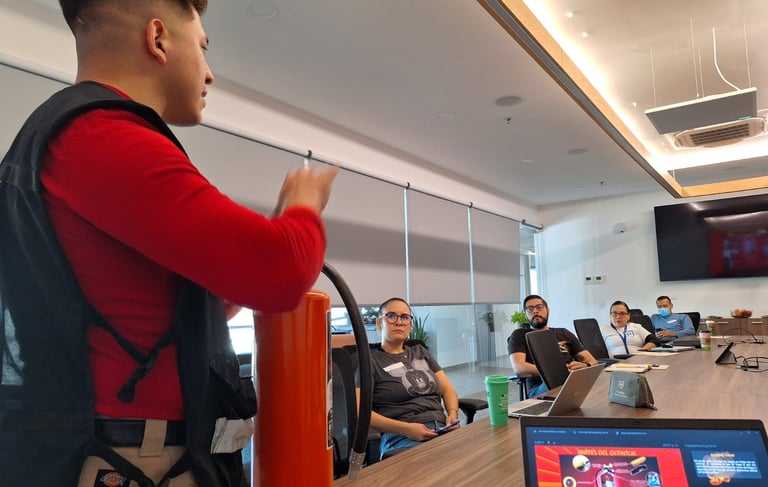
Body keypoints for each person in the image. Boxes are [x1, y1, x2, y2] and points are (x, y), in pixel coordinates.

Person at [0, 1, 337, 486]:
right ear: (157, 39)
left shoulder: (77, 139)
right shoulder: (103, 137)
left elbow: (170, 303)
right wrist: (303, 207)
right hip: (134, 461)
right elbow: (280, 273)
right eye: (202, 48)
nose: (210, 73)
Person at [357, 297, 460, 459]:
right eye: (391, 316)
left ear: (410, 324)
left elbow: (448, 389)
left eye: (405, 317)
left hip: (441, 429)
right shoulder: (369, 362)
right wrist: (406, 429)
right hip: (400, 437)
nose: (399, 322)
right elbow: (361, 412)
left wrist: (453, 414)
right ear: (379, 323)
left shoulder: (421, 352)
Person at [507, 295, 598, 398]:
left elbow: (593, 361)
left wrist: (586, 366)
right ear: (526, 314)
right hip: (540, 387)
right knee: (566, 383)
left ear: (548, 311)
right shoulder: (520, 335)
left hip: (570, 379)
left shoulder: (563, 333)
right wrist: (558, 372)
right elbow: (519, 368)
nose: (535, 311)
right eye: (530, 309)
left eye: (539, 307)